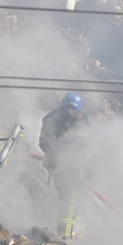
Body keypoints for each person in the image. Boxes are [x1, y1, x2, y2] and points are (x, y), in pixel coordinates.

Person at [38, 93, 84, 236]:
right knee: (70, 199)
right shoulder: (79, 119)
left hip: (55, 165)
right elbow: (87, 145)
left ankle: (62, 232)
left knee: (65, 195)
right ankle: (65, 234)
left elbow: (43, 143)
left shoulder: (50, 117)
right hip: (71, 166)